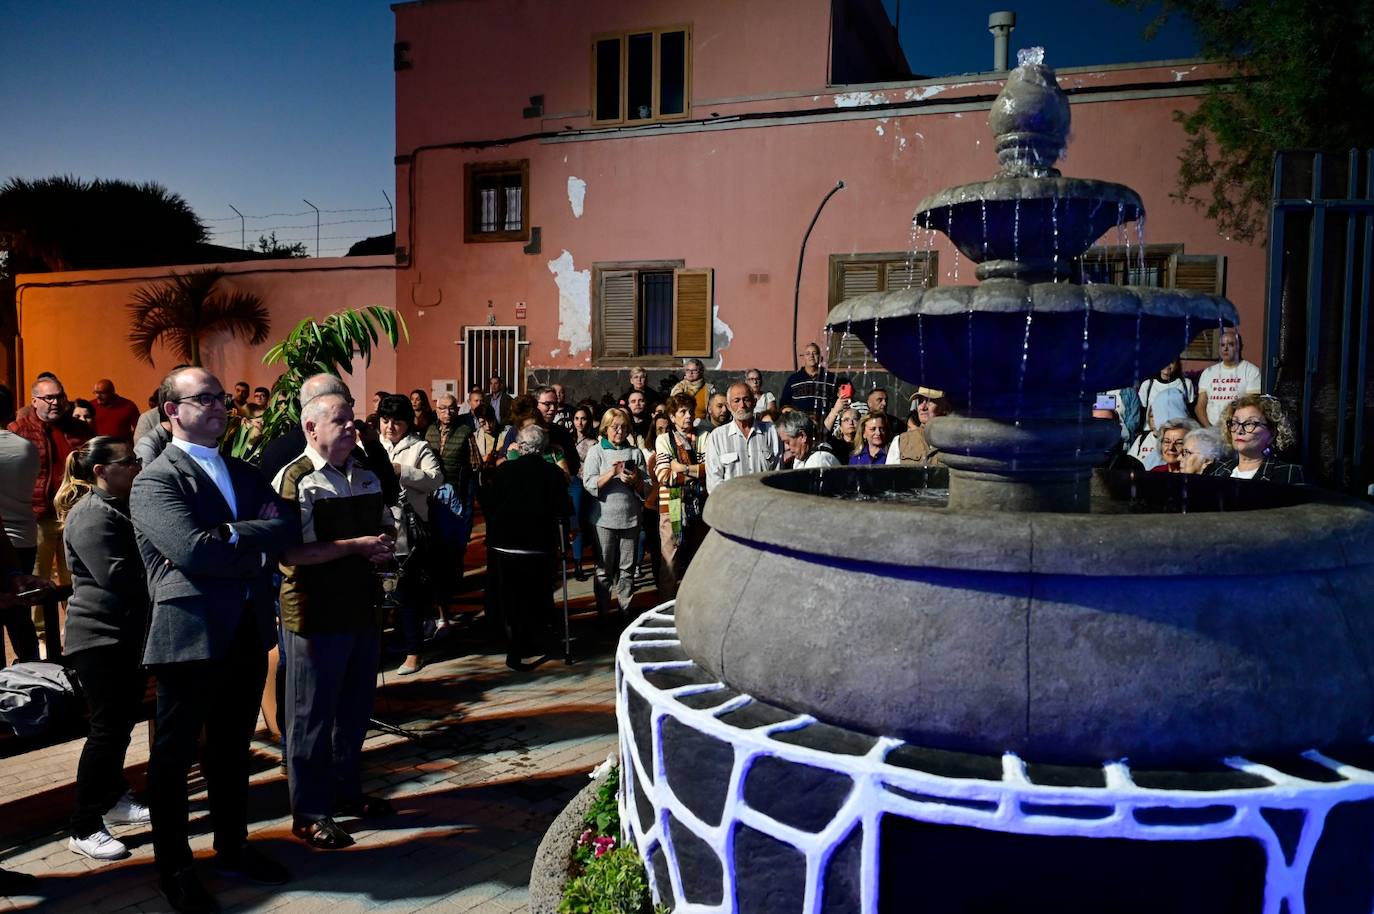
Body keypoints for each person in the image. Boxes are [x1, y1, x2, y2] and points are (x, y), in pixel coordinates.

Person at [129, 367, 299, 913]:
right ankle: (175, 868)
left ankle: (233, 847)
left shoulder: (243, 471)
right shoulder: (156, 479)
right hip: (191, 633)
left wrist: (230, 535)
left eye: (221, 398)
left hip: (247, 628)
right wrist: (242, 542)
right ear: (170, 411)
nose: (219, 406)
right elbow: (192, 551)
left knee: (230, 750)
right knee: (175, 760)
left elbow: (287, 523)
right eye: (203, 399)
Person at [274, 392, 396, 850]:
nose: (351, 427)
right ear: (311, 428)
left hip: (361, 605)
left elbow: (387, 523)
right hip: (314, 612)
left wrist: (384, 541)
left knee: (355, 708)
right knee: (310, 714)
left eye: (353, 421)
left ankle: (347, 791)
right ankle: (309, 812)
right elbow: (290, 552)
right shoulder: (294, 481)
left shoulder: (365, 475)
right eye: (340, 421)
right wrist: (355, 546)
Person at [54, 437, 151, 861]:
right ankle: (83, 824)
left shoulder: (122, 506)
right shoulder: (91, 515)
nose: (136, 466)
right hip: (99, 639)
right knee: (107, 731)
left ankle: (114, 797)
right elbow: (118, 577)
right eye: (128, 462)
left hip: (125, 635)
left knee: (120, 726)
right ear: (100, 471)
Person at [481, 425, 571, 669]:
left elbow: (488, 503)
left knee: (509, 598)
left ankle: (514, 646)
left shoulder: (505, 470)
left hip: (504, 545)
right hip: (537, 546)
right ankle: (526, 641)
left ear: (520, 447)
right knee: (533, 597)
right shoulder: (552, 473)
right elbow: (564, 510)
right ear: (542, 448)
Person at [8, 376, 91, 605]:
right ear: (35, 401)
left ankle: (74, 626)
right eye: (49, 398)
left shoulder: (80, 431)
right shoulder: (19, 431)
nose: (55, 402)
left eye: (59, 396)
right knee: (38, 577)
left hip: (74, 514)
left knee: (75, 576)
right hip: (39, 515)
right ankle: (42, 633)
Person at [377, 394, 443, 675]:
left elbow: (436, 479)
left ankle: (414, 652)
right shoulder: (372, 446)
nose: (390, 427)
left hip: (408, 533)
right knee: (379, 594)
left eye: (396, 422)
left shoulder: (419, 448)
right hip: (377, 530)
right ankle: (383, 646)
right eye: (385, 421)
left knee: (408, 593)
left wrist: (402, 471)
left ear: (407, 423)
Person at [258, 375, 399, 506]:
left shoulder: (274, 449)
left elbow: (385, 503)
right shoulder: (292, 474)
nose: (350, 423)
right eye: (347, 402)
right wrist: (374, 447)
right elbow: (283, 526)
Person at [581, 408, 649, 614]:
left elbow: (647, 487)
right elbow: (589, 483)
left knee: (627, 568)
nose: (619, 431)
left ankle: (625, 610)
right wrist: (612, 472)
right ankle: (602, 611)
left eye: (623, 427)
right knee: (604, 569)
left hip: (630, 517)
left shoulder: (635, 452)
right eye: (614, 427)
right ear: (606, 428)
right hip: (603, 518)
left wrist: (635, 481)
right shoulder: (596, 451)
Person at [425, 394, 481, 617]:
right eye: (443, 409)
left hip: (456, 493)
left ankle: (454, 584)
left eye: (451, 409)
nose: (447, 413)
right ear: (437, 410)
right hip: (431, 494)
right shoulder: (429, 432)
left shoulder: (465, 433)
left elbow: (475, 464)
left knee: (455, 543)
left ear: (457, 410)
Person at [0, 385, 41, 664]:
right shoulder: (26, 447)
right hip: (25, 535)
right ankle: (32, 673)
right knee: (20, 614)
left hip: (2, 541)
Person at [653, 395, 705, 598]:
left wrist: (681, 467)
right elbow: (663, 476)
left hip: (699, 505)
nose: (688, 416)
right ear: (673, 417)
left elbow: (709, 470)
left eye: (691, 411)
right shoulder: (664, 439)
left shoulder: (703, 437)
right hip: (672, 506)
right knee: (670, 561)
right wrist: (695, 472)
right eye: (683, 412)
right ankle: (665, 607)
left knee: (698, 559)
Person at [1206, 394, 1304, 483]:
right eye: (1234, 423)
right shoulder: (1216, 470)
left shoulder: (1288, 474)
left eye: (1250, 423)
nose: (1239, 430)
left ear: (1272, 433)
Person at [703, 382, 782, 492]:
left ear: (754, 402)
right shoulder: (717, 437)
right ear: (729, 406)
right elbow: (714, 483)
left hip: (764, 503)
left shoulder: (770, 431)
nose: (742, 405)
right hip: (731, 505)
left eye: (746, 399)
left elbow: (777, 474)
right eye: (736, 401)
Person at [1196, 328, 1263, 428]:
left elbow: (1251, 405)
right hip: (1212, 430)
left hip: (1238, 429)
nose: (1225, 348)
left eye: (1231, 344)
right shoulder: (1208, 373)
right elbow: (1200, 407)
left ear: (1240, 347)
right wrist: (1209, 429)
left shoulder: (1251, 372)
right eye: (1222, 345)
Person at [886, 387, 948, 465]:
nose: (922, 407)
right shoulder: (901, 441)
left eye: (930, 401)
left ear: (945, 405)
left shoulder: (956, 441)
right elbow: (890, 476)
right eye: (920, 401)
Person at [779, 342, 841, 418]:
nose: (811, 356)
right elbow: (784, 405)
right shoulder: (793, 379)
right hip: (800, 423)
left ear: (820, 358)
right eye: (808, 353)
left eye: (814, 353)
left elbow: (838, 402)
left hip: (825, 422)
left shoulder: (831, 378)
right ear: (804, 357)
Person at [776, 410, 840, 469]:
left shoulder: (818, 460)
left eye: (788, 442)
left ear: (803, 436)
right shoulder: (802, 457)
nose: (786, 448)